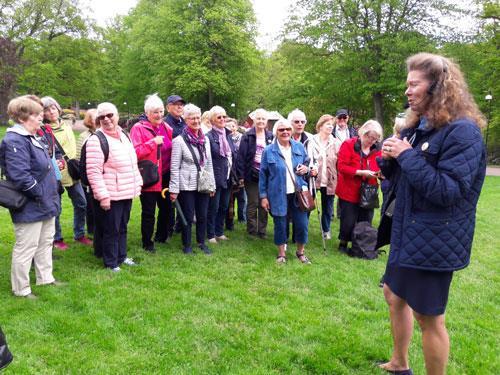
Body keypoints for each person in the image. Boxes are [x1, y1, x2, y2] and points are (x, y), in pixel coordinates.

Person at [377, 53, 486, 375]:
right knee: (393, 294)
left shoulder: (462, 133)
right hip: (408, 232)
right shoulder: (421, 128)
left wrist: (407, 156)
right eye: (407, 85)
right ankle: (399, 363)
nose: (408, 91)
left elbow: (447, 191)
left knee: (429, 317)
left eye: (414, 85)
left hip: (435, 238)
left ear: (437, 87)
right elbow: (403, 179)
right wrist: (390, 159)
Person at [0, 96, 62, 298]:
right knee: (26, 247)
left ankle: (45, 278)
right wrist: (40, 194)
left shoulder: (32, 136)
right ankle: (21, 289)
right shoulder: (14, 140)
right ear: (23, 118)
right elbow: (20, 177)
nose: (41, 119)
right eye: (37, 115)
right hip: (29, 203)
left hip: (45, 201)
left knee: (45, 242)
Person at [86, 102, 142, 271]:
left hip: (126, 190)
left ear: (117, 116)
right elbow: (93, 172)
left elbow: (132, 163)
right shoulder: (96, 140)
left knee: (122, 227)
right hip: (111, 193)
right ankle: (111, 262)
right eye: (102, 117)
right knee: (111, 229)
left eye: (110, 115)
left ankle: (121, 256)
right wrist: (103, 196)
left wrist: (137, 183)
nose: (107, 119)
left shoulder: (124, 134)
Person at [41, 96, 92, 250]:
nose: (51, 112)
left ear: (58, 108)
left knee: (81, 203)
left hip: (72, 173)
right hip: (55, 175)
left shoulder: (66, 125)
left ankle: (79, 234)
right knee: (57, 208)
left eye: (53, 108)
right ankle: (57, 238)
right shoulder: (43, 130)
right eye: (47, 110)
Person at [259, 119, 312, 264]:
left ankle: (300, 252)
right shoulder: (268, 150)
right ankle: (281, 254)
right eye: (281, 130)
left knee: (302, 224)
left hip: (298, 194)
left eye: (288, 129)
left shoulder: (300, 147)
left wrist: (306, 169)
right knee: (280, 224)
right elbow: (263, 175)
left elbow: (307, 163)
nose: (285, 132)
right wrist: (263, 196)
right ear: (276, 132)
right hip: (277, 194)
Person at [169, 103, 216, 255]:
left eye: (197, 118)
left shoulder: (205, 140)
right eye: (191, 118)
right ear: (186, 120)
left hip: (203, 183)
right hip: (186, 184)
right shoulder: (179, 141)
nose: (195, 121)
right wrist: (174, 189)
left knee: (202, 214)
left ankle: (201, 243)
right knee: (188, 216)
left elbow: (208, 163)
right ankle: (187, 244)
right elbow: (174, 167)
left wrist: (212, 185)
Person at [130, 94, 173, 252]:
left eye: (161, 111)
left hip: (166, 175)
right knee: (149, 211)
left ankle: (162, 236)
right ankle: (147, 243)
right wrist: (152, 143)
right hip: (149, 176)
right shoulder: (138, 128)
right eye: (155, 112)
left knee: (167, 207)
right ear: (147, 113)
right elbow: (134, 152)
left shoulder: (167, 128)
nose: (159, 115)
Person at [336, 119, 382, 254]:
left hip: (369, 191)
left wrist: (380, 174)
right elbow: (341, 167)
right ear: (363, 132)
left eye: (375, 139)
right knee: (348, 220)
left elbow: (380, 166)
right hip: (349, 189)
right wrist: (360, 172)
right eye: (369, 137)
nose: (371, 141)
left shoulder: (377, 150)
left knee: (366, 219)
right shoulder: (348, 144)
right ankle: (343, 243)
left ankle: (362, 244)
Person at [237, 108, 273, 238]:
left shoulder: (270, 136)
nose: (261, 121)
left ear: (266, 121)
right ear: (254, 120)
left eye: (263, 119)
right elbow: (241, 157)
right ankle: (251, 229)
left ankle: (262, 231)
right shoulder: (247, 136)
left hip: (266, 175)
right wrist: (240, 176)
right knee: (253, 202)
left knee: (264, 202)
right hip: (251, 174)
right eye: (259, 118)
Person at [206, 106, 237, 243]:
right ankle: (211, 234)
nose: (223, 119)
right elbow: (207, 160)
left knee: (224, 206)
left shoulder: (228, 134)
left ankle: (219, 231)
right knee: (214, 207)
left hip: (228, 176)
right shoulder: (208, 137)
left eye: (224, 116)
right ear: (212, 120)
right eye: (219, 117)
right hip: (215, 177)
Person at [309, 115, 342, 239]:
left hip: (330, 179)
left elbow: (339, 162)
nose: (330, 126)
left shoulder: (336, 143)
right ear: (320, 126)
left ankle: (326, 230)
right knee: (308, 204)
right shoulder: (312, 141)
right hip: (313, 179)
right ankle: (303, 227)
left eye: (332, 125)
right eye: (327, 124)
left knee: (328, 207)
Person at [76, 108, 98, 238]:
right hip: (87, 175)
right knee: (89, 204)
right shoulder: (84, 136)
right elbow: (79, 158)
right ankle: (91, 228)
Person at [225, 118, 247, 229]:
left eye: (233, 126)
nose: (231, 128)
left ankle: (242, 217)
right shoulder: (225, 138)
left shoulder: (243, 138)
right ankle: (230, 217)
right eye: (228, 126)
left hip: (239, 170)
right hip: (230, 171)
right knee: (230, 197)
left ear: (237, 127)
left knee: (242, 196)